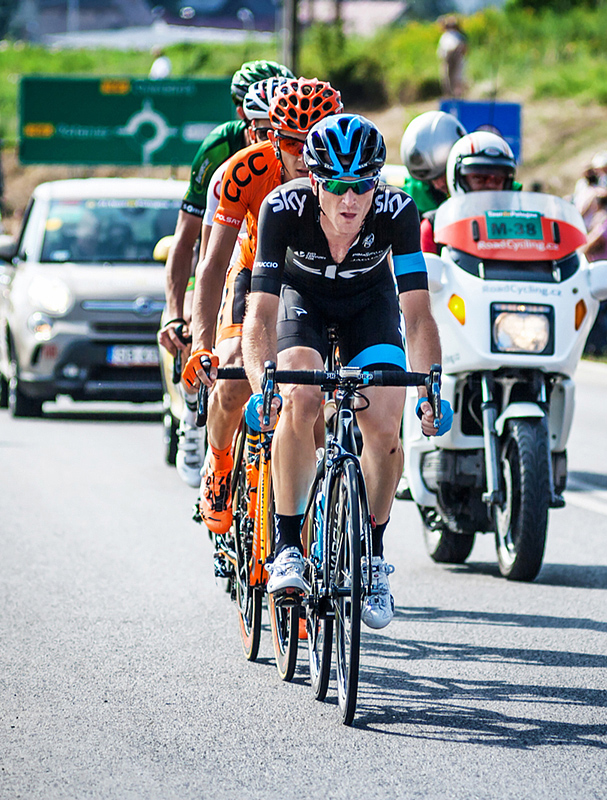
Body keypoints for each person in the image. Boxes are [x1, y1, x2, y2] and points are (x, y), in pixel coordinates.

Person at [241, 114, 449, 629]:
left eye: (361, 186)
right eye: (336, 186)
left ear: (376, 183)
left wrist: (430, 389)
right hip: (302, 305)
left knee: (384, 426)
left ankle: (373, 557)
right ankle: (288, 548)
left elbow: (418, 315)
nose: (350, 200)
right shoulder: (281, 209)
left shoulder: (398, 210)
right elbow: (260, 317)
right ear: (314, 182)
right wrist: (261, 385)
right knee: (299, 398)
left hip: (368, 308)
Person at [183, 78, 342, 535]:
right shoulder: (243, 171)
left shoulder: (346, 176)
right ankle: (218, 463)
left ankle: (310, 528)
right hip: (256, 271)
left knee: (311, 409)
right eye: (291, 140)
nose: (301, 152)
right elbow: (212, 266)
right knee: (233, 378)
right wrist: (201, 344)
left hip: (313, 282)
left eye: (313, 139)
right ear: (272, 136)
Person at [157, 59, 293, 486]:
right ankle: (194, 419)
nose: (273, 136)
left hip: (289, 265)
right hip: (236, 252)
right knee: (220, 356)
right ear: (242, 115)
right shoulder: (222, 152)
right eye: (260, 125)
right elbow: (189, 242)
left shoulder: (309, 149)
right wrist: (174, 313)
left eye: (283, 127)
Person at [420, 131, 517, 254]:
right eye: (480, 178)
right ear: (458, 179)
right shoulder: (434, 226)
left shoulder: (519, 227)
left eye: (498, 179)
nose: (490, 185)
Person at [399, 110, 467, 216]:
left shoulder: (482, 181)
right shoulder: (414, 192)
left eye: (443, 174)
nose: (438, 185)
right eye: (430, 180)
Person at [580, 193, 607, 263]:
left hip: (606, 265)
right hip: (597, 264)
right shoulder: (602, 217)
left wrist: (581, 251)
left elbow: (598, 240)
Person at [437, 16, 467, 99]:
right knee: (446, 78)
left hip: (456, 59)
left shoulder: (458, 36)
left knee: (457, 78)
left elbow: (464, 49)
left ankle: (457, 96)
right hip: (447, 59)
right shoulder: (445, 36)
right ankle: (448, 95)